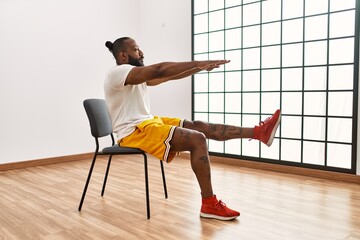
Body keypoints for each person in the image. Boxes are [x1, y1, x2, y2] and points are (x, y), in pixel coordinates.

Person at [104, 37, 281, 221]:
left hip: (148, 123)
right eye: (136, 49)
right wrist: (197, 62)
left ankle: (260, 133)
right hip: (133, 132)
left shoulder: (134, 75)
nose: (141, 53)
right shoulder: (118, 72)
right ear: (123, 55)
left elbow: (166, 76)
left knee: (199, 127)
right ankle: (209, 204)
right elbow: (159, 70)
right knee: (197, 139)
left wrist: (199, 68)